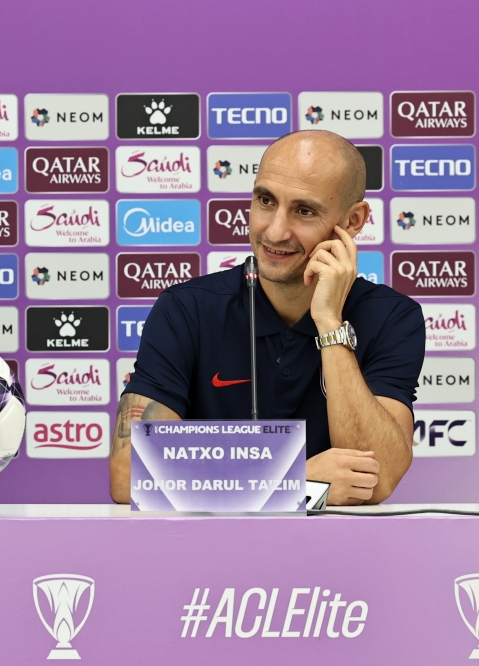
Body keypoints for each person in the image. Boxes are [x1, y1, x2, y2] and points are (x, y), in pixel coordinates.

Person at [111, 130, 425, 506]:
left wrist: (329, 323)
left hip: (338, 557)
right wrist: (297, 479)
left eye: (304, 211)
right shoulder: (186, 309)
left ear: (353, 221)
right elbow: (129, 474)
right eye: (265, 200)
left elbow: (378, 476)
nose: (275, 231)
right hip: (205, 553)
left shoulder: (392, 317)